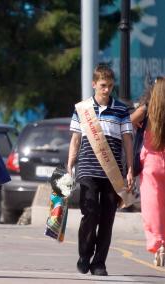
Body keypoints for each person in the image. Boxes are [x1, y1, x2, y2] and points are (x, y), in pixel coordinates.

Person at [67, 63, 134, 276]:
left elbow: (128, 142)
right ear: (94, 84)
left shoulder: (121, 110)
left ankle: (99, 263)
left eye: (110, 86)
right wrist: (70, 164)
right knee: (90, 213)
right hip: (87, 170)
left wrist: (130, 169)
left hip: (112, 174)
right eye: (103, 85)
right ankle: (84, 254)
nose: (107, 90)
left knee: (107, 217)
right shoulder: (82, 108)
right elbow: (75, 139)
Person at [138, 77, 165, 266]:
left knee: (152, 209)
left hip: (151, 164)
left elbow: (127, 123)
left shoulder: (147, 111)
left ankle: (158, 244)